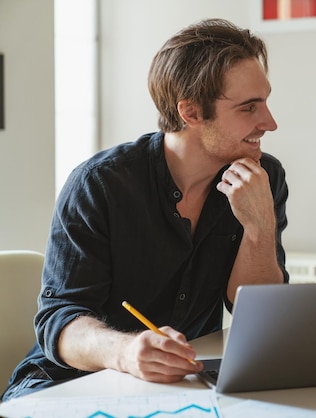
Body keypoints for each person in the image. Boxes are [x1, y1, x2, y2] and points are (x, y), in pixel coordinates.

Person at [2, 18, 288, 401]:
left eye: (265, 101)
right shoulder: (99, 184)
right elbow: (59, 321)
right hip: (63, 386)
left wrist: (259, 228)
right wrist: (125, 353)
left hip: (177, 390)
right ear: (190, 113)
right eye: (249, 107)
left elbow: (258, 313)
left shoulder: (262, 177)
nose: (269, 122)